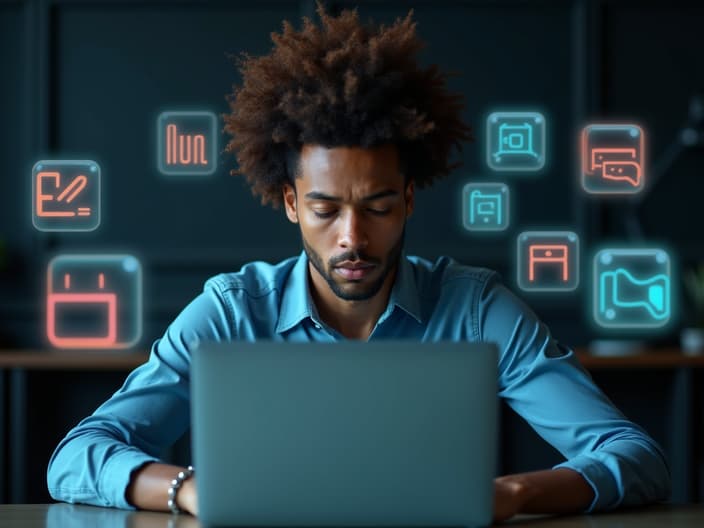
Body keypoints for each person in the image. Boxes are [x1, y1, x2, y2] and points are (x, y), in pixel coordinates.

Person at [47, 2, 670, 522]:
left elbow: (633, 455)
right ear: (289, 203)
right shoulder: (231, 311)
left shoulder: (476, 308)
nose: (352, 236)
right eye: (325, 210)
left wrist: (509, 494)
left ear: (407, 199)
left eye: (376, 206)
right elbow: (76, 456)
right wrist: (189, 489)